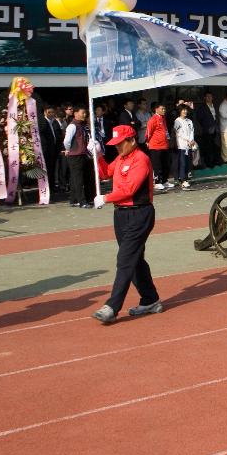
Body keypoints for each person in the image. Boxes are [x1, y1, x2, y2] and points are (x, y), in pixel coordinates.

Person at [90, 125, 162, 324]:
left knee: (125, 258)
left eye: (120, 144)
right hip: (121, 215)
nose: (117, 148)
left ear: (131, 141)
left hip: (139, 213)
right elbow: (105, 173)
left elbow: (130, 189)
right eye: (115, 145)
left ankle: (112, 306)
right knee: (134, 259)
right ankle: (151, 299)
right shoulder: (121, 158)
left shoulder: (141, 159)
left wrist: (105, 198)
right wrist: (97, 155)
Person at [62, 107, 93, 208]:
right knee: (78, 179)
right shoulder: (72, 126)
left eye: (85, 113)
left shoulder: (82, 125)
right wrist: (68, 149)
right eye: (83, 112)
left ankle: (74, 199)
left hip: (81, 154)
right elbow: (67, 141)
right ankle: (82, 202)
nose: (85, 115)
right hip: (75, 155)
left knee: (75, 178)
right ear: (75, 113)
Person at [145, 102, 170, 189]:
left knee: (165, 164)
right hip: (155, 146)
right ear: (156, 109)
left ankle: (165, 181)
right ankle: (157, 182)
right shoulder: (153, 119)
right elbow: (148, 133)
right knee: (157, 165)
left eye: (164, 109)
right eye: (162, 109)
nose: (164, 110)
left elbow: (166, 130)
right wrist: (147, 141)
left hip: (164, 145)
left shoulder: (163, 118)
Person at [172, 104, 195, 190]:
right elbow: (178, 133)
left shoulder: (189, 121)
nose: (185, 111)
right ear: (180, 111)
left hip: (189, 145)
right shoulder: (177, 121)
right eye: (183, 110)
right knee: (182, 163)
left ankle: (186, 178)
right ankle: (182, 179)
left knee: (188, 162)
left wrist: (191, 140)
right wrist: (187, 140)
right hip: (181, 145)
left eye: (186, 110)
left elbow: (192, 131)